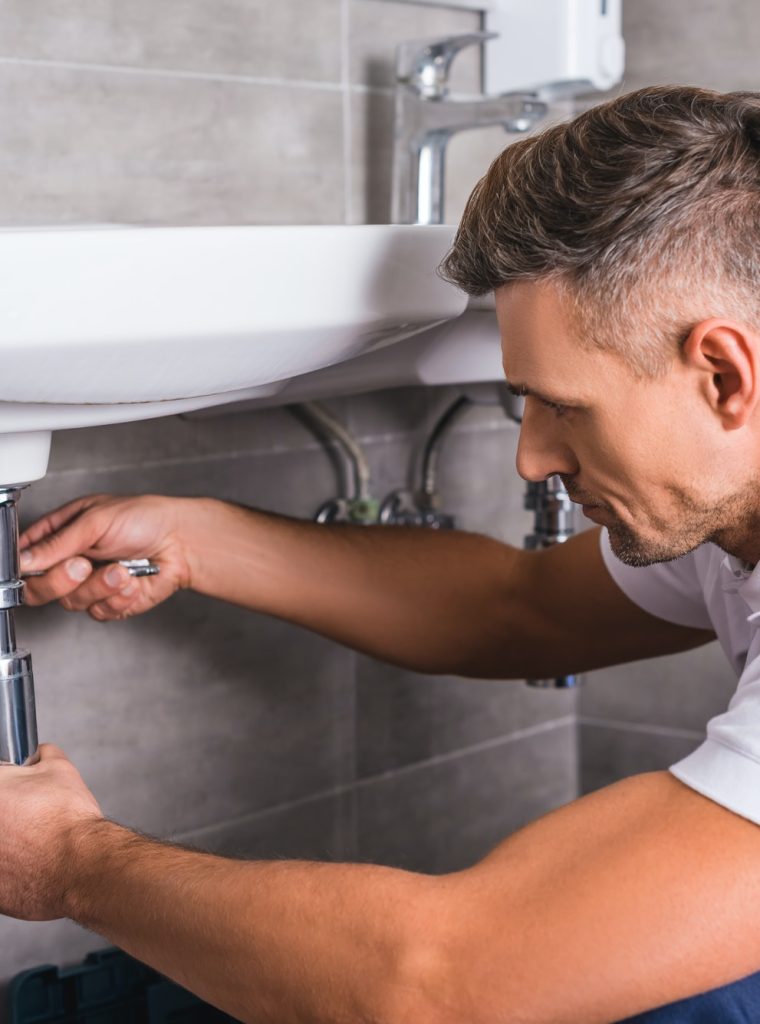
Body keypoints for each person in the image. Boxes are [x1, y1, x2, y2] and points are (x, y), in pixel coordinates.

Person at [3, 83, 760, 1024]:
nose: (532, 456)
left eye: (565, 406)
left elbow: (441, 987)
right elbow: (517, 609)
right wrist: (196, 538)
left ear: (725, 376)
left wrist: (72, 864)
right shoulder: (731, 507)